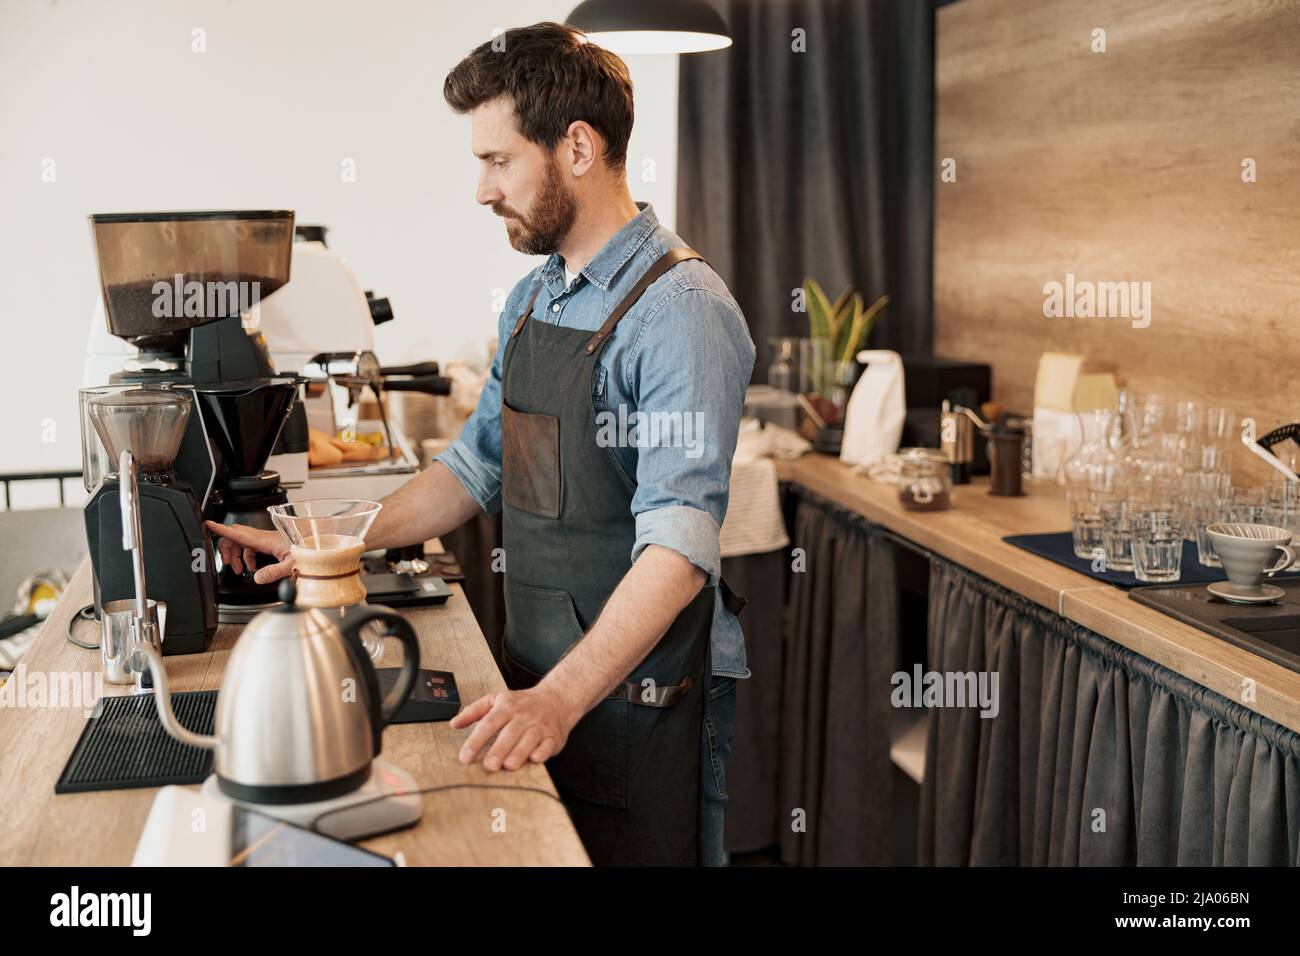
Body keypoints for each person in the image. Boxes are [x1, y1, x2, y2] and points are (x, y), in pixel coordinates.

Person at [207, 21, 755, 866]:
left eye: (497, 161)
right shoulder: (535, 299)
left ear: (577, 146)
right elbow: (476, 466)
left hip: (631, 697)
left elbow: (680, 548)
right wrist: (313, 539)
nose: (482, 190)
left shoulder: (680, 310)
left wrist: (560, 700)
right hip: (534, 670)